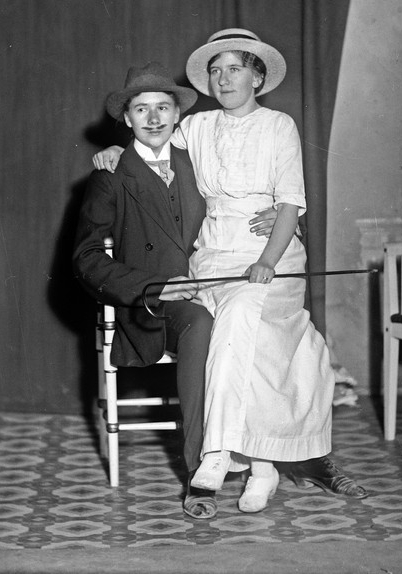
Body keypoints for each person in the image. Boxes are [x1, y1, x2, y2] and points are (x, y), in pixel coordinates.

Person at [95, 30, 368, 513]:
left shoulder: (279, 125)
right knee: (239, 340)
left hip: (272, 253)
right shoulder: (197, 125)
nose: (223, 79)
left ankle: (217, 453)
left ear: (257, 77)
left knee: (238, 317)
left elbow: (291, 203)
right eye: (216, 71)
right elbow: (151, 140)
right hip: (212, 257)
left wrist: (267, 260)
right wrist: (117, 151)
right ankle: (262, 468)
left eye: (235, 69)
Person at [73, 61, 276, 520]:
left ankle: (258, 458)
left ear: (177, 115)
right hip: (150, 305)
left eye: (162, 107)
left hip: (211, 285)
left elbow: (240, 196)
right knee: (201, 323)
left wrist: (284, 216)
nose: (153, 118)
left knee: (245, 318)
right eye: (140, 109)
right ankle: (200, 469)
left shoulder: (195, 160)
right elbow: (86, 259)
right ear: (126, 119)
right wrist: (157, 286)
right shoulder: (111, 173)